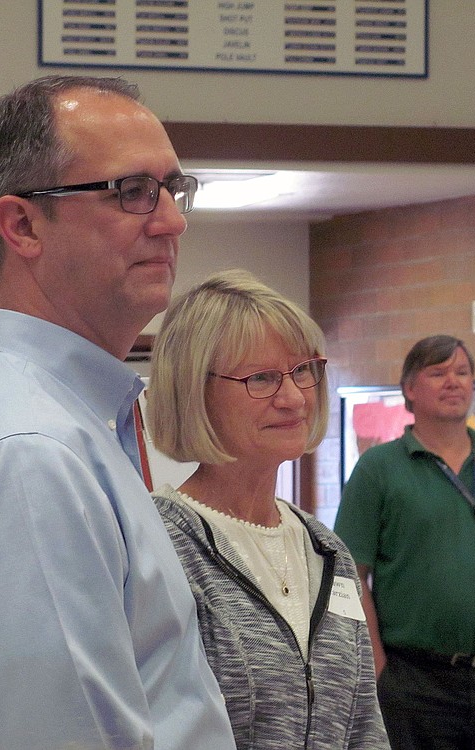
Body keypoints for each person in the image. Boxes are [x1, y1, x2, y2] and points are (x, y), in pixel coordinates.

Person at [0, 75, 236, 750]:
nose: (173, 220)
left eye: (173, 189)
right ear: (23, 224)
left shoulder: (63, 423)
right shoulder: (30, 452)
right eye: (131, 191)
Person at [146, 269, 389, 749]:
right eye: (261, 378)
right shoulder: (158, 545)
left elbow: (363, 724)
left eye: (302, 371)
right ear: (194, 390)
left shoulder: (327, 550)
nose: (294, 397)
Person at [334, 334, 475, 749]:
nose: (453, 382)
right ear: (409, 389)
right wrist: (378, 669)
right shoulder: (378, 469)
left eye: (462, 372)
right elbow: (347, 579)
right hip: (416, 683)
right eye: (437, 373)